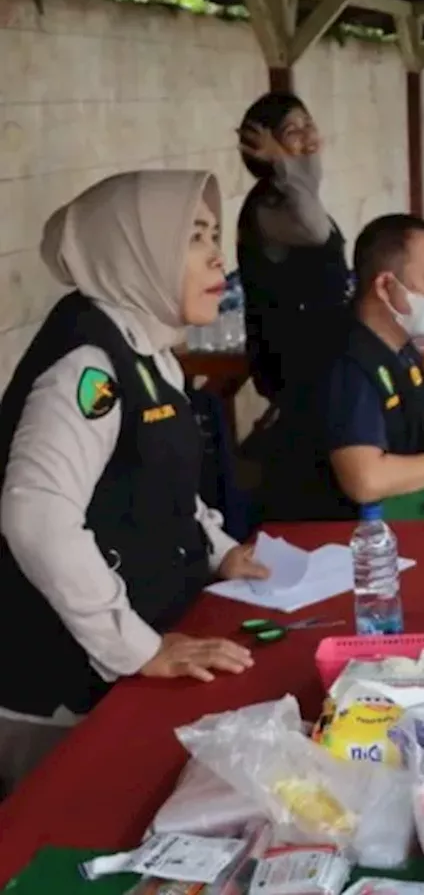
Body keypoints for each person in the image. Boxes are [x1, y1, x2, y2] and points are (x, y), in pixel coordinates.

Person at [0, 171, 268, 792]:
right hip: (62, 694)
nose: (216, 256)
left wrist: (221, 551)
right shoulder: (90, 365)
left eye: (213, 236)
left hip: (128, 654)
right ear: (132, 250)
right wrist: (139, 650)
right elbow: (35, 515)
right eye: (192, 238)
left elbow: (168, 482)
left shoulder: (149, 350)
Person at [260, 214, 424, 521]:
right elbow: (365, 481)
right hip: (332, 534)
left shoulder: (397, 340)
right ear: (386, 286)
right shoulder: (345, 360)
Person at [236, 92, 351, 403]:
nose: (309, 136)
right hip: (296, 366)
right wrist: (284, 164)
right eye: (292, 131)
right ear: (265, 149)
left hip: (324, 358)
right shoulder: (270, 205)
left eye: (309, 124)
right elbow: (315, 232)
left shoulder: (298, 195)